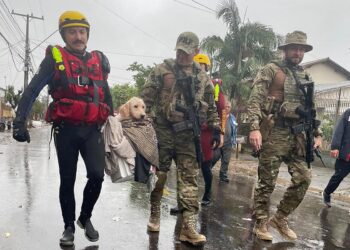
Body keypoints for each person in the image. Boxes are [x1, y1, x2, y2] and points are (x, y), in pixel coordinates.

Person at [12, 11, 113, 246]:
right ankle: (68, 225)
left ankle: (84, 218)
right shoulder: (54, 59)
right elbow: (32, 89)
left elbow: (106, 94)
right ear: (64, 34)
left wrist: (113, 120)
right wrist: (19, 122)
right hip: (66, 130)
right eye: (72, 32)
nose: (78, 37)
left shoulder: (99, 61)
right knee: (67, 180)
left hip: (91, 130)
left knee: (97, 176)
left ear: (87, 34)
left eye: (82, 31)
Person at [141, 32, 221, 246]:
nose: (182, 56)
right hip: (164, 131)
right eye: (179, 51)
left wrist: (216, 130)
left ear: (196, 52)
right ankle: (155, 213)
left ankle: (188, 227)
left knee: (190, 180)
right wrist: (145, 125)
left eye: (187, 52)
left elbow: (211, 107)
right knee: (160, 176)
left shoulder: (203, 77)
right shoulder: (162, 69)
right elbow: (146, 98)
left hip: (188, 134)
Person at [247, 30, 323, 241]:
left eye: (301, 49)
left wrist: (317, 133)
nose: (297, 52)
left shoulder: (306, 76)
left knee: (304, 179)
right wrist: (254, 127)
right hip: (274, 131)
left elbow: (311, 107)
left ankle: (280, 218)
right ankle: (261, 222)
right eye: (294, 48)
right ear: (286, 50)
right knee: (267, 182)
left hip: (297, 136)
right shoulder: (272, 70)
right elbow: (255, 99)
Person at [323, 108, 350, 207]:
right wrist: (335, 147)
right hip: (347, 154)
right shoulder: (348, 113)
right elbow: (339, 130)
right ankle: (327, 192)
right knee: (338, 176)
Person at [212, 100, 238, 183]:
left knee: (226, 160)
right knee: (215, 157)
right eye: (226, 106)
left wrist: (234, 141)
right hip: (219, 141)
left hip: (228, 142)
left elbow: (235, 129)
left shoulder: (232, 118)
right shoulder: (218, 116)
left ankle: (223, 175)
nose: (227, 108)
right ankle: (207, 169)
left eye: (229, 107)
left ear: (230, 108)